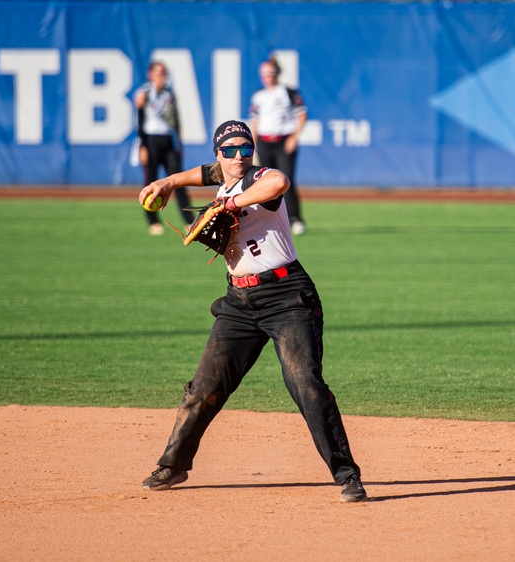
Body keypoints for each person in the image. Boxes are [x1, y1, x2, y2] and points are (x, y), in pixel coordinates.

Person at [137, 120, 366, 502]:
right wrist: (170, 182)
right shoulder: (223, 176)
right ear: (218, 155)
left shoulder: (259, 178)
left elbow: (278, 184)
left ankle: (347, 475)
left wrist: (228, 203)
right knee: (204, 387)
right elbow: (205, 174)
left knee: (305, 385)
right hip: (238, 303)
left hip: (288, 297)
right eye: (230, 151)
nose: (239, 156)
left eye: (246, 149)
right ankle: (174, 465)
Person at [134, 61, 194, 235]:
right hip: (151, 140)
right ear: (150, 75)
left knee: (179, 180)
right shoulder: (144, 93)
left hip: (168, 140)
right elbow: (139, 122)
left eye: (164, 73)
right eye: (159, 73)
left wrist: (179, 143)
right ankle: (153, 221)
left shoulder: (169, 93)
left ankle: (189, 221)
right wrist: (142, 146)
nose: (162, 76)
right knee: (150, 181)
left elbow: (176, 119)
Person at [249, 57, 308, 235]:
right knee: (264, 182)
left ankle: (295, 219)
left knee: (286, 180)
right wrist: (252, 146)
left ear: (277, 73)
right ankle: (267, 220)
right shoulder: (258, 96)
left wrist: (294, 137)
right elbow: (255, 122)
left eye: (270, 73)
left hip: (283, 141)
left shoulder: (288, 92)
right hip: (265, 142)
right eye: (263, 74)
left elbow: (302, 114)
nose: (267, 77)